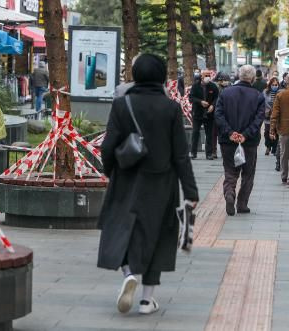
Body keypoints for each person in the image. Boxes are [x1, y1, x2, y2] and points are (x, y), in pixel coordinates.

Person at [97, 54, 199, 315]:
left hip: (126, 179)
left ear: (136, 74)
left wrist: (111, 171)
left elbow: (107, 145)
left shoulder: (122, 104)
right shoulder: (171, 108)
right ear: (162, 75)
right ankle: (146, 300)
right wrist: (190, 191)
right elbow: (180, 154)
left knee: (120, 229)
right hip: (162, 183)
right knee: (158, 236)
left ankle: (129, 273)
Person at [215, 64, 265, 216]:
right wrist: (246, 134)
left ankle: (230, 192)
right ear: (253, 78)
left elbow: (218, 115)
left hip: (227, 140)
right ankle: (242, 204)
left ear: (238, 75)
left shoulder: (225, 93)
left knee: (230, 170)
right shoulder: (258, 95)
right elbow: (259, 119)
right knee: (248, 173)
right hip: (249, 142)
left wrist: (230, 132)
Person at [189, 69, 220, 159]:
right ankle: (193, 153)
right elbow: (191, 98)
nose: (207, 77)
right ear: (201, 76)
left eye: (209, 75)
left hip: (209, 113)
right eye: (206, 75)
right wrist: (200, 102)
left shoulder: (213, 86)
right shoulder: (195, 86)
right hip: (197, 113)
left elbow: (217, 98)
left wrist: (212, 106)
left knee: (209, 134)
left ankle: (209, 153)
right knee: (195, 132)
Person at [263, 77, 280, 156]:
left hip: (277, 116)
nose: (274, 86)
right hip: (267, 115)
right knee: (267, 132)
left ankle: (274, 148)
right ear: (270, 85)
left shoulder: (280, 93)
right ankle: (268, 146)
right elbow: (263, 102)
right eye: (273, 84)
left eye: (276, 85)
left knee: (276, 132)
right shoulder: (265, 92)